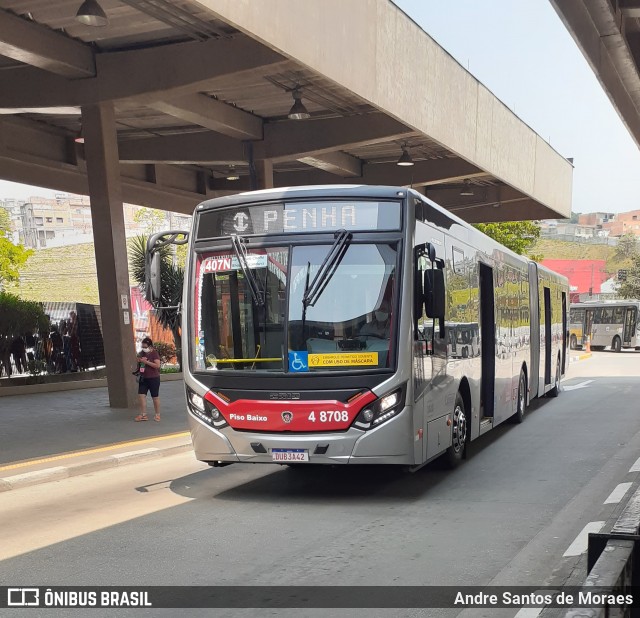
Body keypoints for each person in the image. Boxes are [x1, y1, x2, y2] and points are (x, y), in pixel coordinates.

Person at [134, 337, 162, 422]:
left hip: (154, 378)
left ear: (150, 347)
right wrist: (139, 361)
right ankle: (143, 414)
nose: (144, 349)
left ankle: (157, 414)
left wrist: (147, 362)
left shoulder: (154, 354)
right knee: (141, 395)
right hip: (143, 378)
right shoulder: (142, 353)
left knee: (155, 397)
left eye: (145, 347)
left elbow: (157, 365)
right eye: (142, 347)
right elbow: (139, 362)